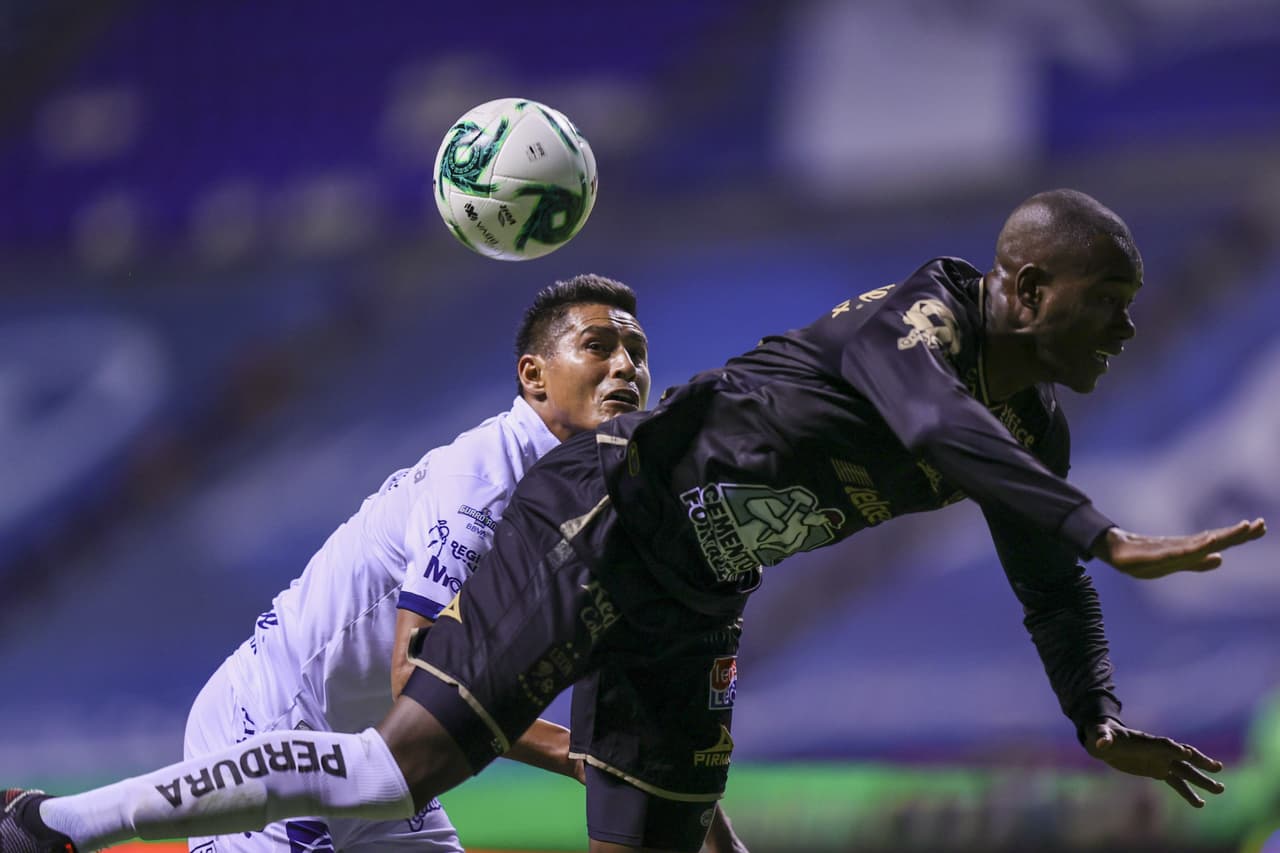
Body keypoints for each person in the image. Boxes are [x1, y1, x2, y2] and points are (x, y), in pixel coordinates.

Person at [5, 190, 1266, 853]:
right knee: (403, 764)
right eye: (1110, 300)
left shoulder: (1028, 430)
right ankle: (55, 825)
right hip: (603, 516)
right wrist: (1108, 530)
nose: (1126, 328)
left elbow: (1043, 580)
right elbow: (934, 431)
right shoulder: (916, 319)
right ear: (1027, 286)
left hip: (692, 604)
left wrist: (1093, 714)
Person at [0, 274, 742, 853]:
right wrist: (585, 755)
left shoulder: (595, 496)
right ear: (533, 376)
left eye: (636, 353)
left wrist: (686, 806)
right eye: (599, 347)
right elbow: (418, 681)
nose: (626, 367)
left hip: (379, 767)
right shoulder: (481, 484)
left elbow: (643, 711)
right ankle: (50, 823)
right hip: (273, 733)